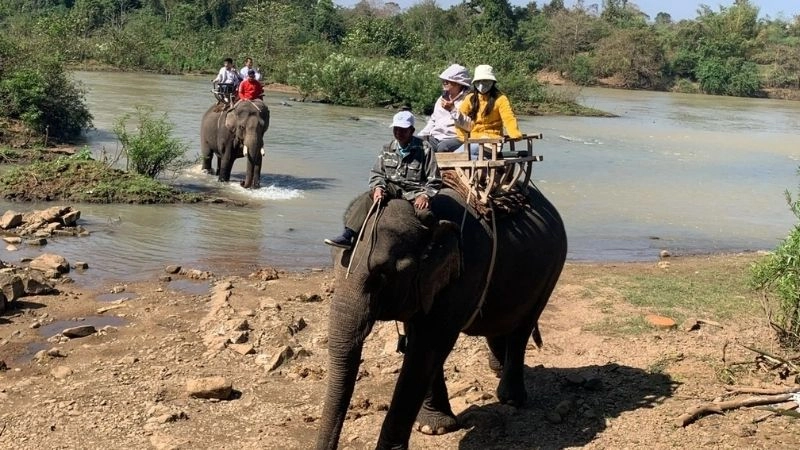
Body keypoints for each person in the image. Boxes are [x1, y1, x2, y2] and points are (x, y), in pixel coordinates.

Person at [324, 110, 442, 249]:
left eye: (403, 130)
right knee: (367, 198)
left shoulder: (425, 149)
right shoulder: (387, 148)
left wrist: (425, 195)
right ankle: (348, 235)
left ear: (412, 130)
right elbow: (377, 172)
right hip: (392, 186)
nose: (399, 133)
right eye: (396, 129)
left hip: (415, 190)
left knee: (425, 215)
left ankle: (429, 246)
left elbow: (435, 179)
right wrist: (378, 187)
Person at [455, 64, 522, 158]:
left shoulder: (500, 99)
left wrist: (514, 133)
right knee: (448, 149)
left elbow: (508, 118)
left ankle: (485, 163)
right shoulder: (470, 98)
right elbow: (460, 119)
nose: (482, 85)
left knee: (457, 155)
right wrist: (462, 137)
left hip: (492, 142)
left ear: (492, 82)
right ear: (475, 83)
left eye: (486, 81)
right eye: (479, 82)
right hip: (473, 139)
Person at [418, 64, 472, 152]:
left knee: (443, 147)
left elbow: (469, 126)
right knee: (416, 143)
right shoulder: (441, 99)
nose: (444, 82)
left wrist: (452, 109)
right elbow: (433, 120)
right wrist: (422, 135)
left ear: (458, 84)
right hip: (436, 136)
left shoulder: (469, 99)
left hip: (457, 138)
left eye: (448, 80)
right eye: (444, 80)